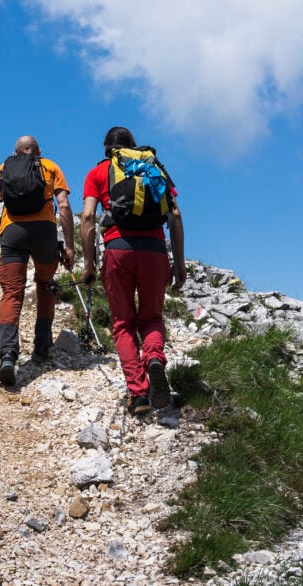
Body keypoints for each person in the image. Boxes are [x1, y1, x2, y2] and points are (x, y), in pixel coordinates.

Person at [80, 126, 186, 415]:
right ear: (133, 146)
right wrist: (179, 264)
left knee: (123, 323)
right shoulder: (153, 168)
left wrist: (89, 263)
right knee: (151, 316)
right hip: (154, 252)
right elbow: (175, 215)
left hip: (118, 251)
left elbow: (88, 216)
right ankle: (153, 358)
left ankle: (138, 395)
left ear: (106, 150)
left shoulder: (98, 173)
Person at [0, 136, 75, 386]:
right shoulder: (50, 167)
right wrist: (70, 246)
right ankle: (42, 346)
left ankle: (8, 356)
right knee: (45, 284)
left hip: (13, 233)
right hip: (44, 232)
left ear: (15, 152)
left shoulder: (2, 169)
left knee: (12, 293)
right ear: (39, 151)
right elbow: (63, 207)